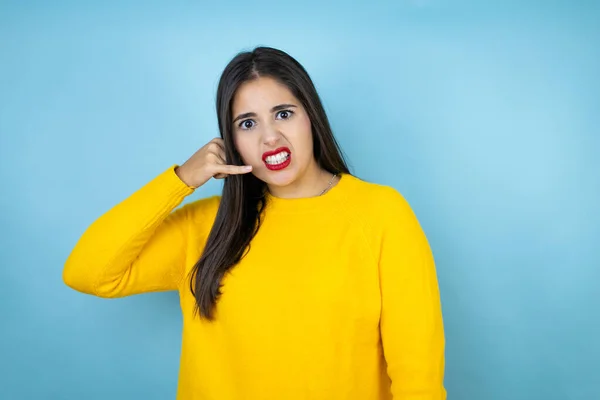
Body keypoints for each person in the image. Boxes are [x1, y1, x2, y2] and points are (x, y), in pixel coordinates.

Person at [63, 46, 446, 400]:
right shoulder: (206, 227)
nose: (269, 137)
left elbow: (418, 377)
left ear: (311, 116)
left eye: (283, 114)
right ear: (230, 141)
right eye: (247, 124)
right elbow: (87, 272)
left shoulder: (380, 213)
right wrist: (180, 180)